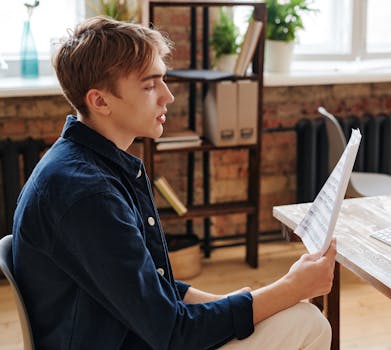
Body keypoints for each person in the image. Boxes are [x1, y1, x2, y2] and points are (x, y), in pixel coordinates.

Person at [12, 16, 336, 350]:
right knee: (307, 323)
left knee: (287, 315)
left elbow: (144, 284)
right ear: (100, 101)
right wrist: (291, 287)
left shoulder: (89, 166)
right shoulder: (87, 194)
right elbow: (173, 335)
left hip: (127, 331)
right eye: (149, 85)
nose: (168, 96)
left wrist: (226, 301)